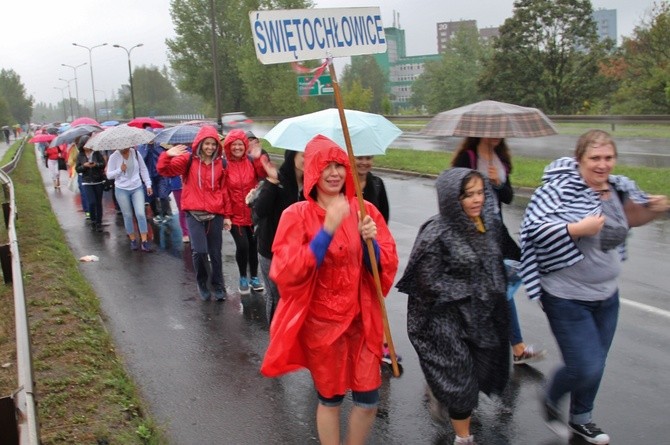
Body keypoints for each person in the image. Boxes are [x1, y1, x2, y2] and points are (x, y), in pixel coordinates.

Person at [519, 130, 669, 444]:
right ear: (579, 160)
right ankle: (550, 395)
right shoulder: (558, 190)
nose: (602, 165)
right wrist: (576, 228)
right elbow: (534, 229)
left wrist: (653, 209)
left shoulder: (617, 187)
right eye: (595, 158)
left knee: (596, 365)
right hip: (566, 297)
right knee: (584, 365)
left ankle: (581, 419)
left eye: (608, 158)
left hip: (607, 295)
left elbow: (631, 219)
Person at [261, 135, 399, 445]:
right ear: (312, 171)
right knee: (331, 399)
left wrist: (371, 243)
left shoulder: (364, 210)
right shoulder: (295, 215)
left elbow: (381, 267)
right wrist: (326, 231)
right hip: (322, 325)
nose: (335, 172)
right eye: (327, 166)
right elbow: (286, 270)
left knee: (368, 400)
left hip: (362, 322)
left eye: (340, 165)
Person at [396, 168, 510, 445]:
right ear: (451, 199)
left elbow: (501, 257)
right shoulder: (436, 233)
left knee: (481, 371)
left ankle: (442, 392)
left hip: (480, 315)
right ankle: (463, 437)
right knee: (461, 382)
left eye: (480, 192)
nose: (477, 200)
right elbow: (426, 283)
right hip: (442, 321)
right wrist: (471, 288)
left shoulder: (488, 224)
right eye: (467, 195)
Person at [452, 136, 546, 365]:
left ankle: (518, 347)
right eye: (491, 130)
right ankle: (451, 350)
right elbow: (452, 193)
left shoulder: (500, 159)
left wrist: (498, 183)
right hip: (471, 232)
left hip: (494, 232)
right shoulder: (468, 158)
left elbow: (509, 197)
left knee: (503, 287)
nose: (496, 134)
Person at [157, 126, 232, 301]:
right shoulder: (188, 160)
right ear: (200, 144)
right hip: (194, 212)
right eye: (207, 143)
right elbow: (164, 170)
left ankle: (218, 285)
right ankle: (203, 283)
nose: (210, 147)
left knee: (215, 252)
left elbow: (224, 190)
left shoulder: (222, 163)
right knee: (199, 251)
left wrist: (227, 215)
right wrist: (167, 156)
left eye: (213, 144)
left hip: (215, 213)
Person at [253, 149, 305, 324]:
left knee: (294, 298)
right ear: (292, 156)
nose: (308, 160)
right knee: (277, 297)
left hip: (298, 253)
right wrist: (271, 182)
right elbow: (259, 210)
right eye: (304, 155)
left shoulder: (312, 183)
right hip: (271, 250)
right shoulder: (279, 179)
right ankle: (276, 342)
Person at [222, 129, 268, 295]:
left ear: (245, 145)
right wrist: (226, 216)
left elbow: (264, 175)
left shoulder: (251, 161)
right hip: (235, 216)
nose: (237, 147)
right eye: (233, 144)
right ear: (228, 146)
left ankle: (254, 277)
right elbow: (224, 192)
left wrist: (259, 158)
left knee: (254, 246)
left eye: (240, 144)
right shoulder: (224, 165)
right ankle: (243, 276)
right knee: (243, 246)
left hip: (252, 213)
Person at [106, 145, 153, 252]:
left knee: (140, 214)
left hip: (137, 187)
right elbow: (109, 175)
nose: (125, 148)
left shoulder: (135, 153)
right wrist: (119, 170)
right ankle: (133, 239)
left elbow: (143, 169)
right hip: (121, 189)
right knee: (127, 215)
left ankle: (144, 241)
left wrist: (148, 184)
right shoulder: (114, 156)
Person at [75, 135, 106, 232]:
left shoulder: (96, 153)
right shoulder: (80, 155)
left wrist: (96, 165)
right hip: (87, 182)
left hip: (98, 180)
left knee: (98, 203)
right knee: (91, 202)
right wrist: (84, 166)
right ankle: (93, 220)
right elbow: (77, 169)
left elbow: (102, 164)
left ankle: (99, 222)